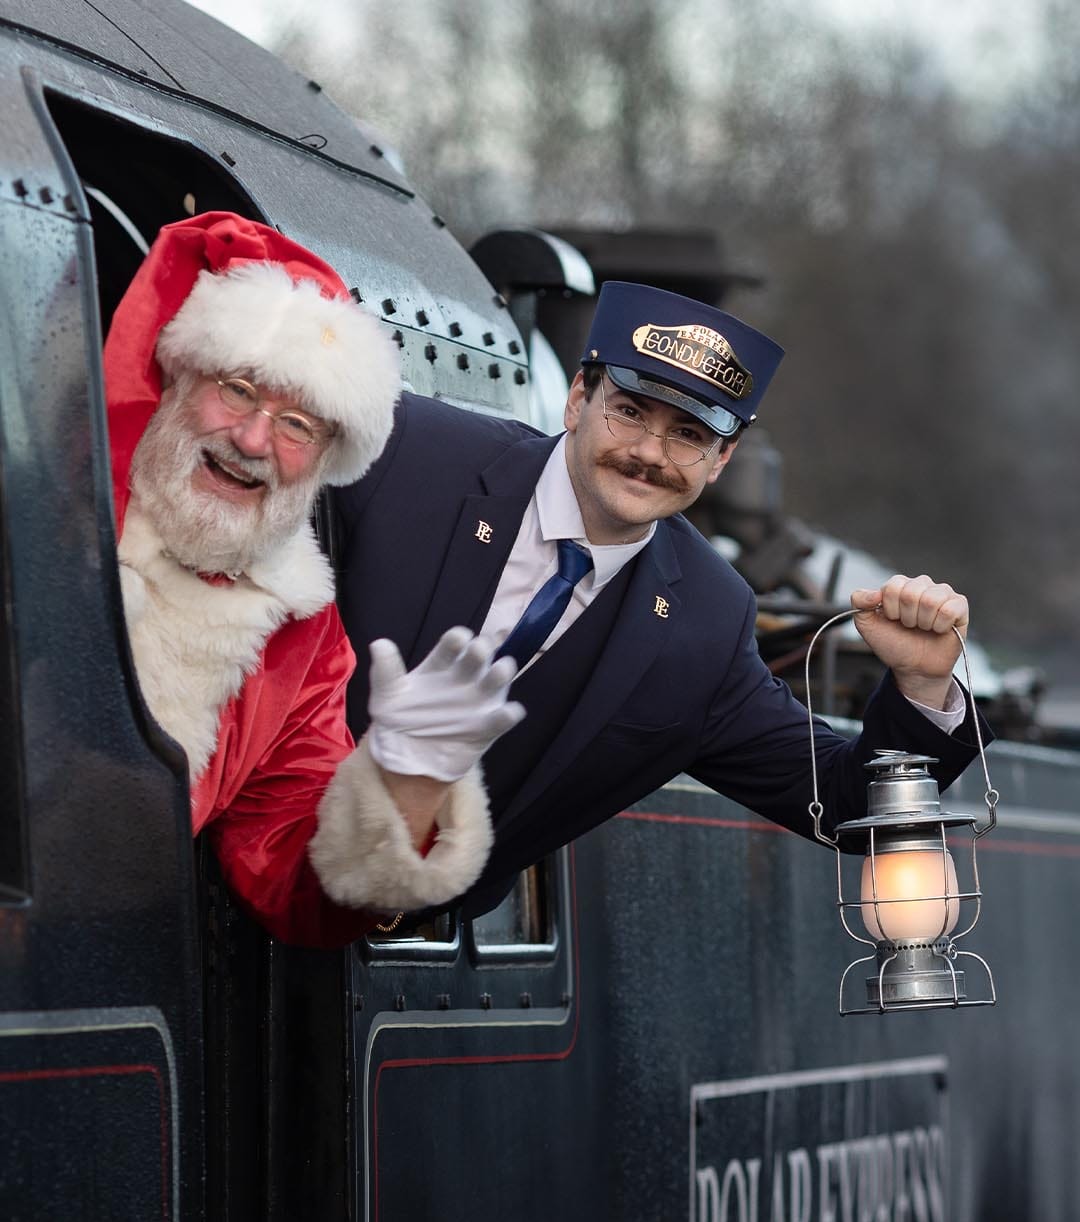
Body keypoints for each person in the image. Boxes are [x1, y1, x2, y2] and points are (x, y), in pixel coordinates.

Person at [334, 280, 989, 921]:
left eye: (689, 434)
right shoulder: (409, 452)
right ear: (576, 399)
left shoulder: (707, 622)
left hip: (391, 946)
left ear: (722, 459)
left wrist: (923, 686)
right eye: (630, 411)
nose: (649, 453)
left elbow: (846, 809)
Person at [105, 211, 522, 946]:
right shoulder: (45, 498)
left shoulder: (303, 643)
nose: (254, 440)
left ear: (328, 460)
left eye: (300, 424)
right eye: (236, 389)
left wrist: (410, 786)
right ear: (179, 378)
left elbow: (294, 880)